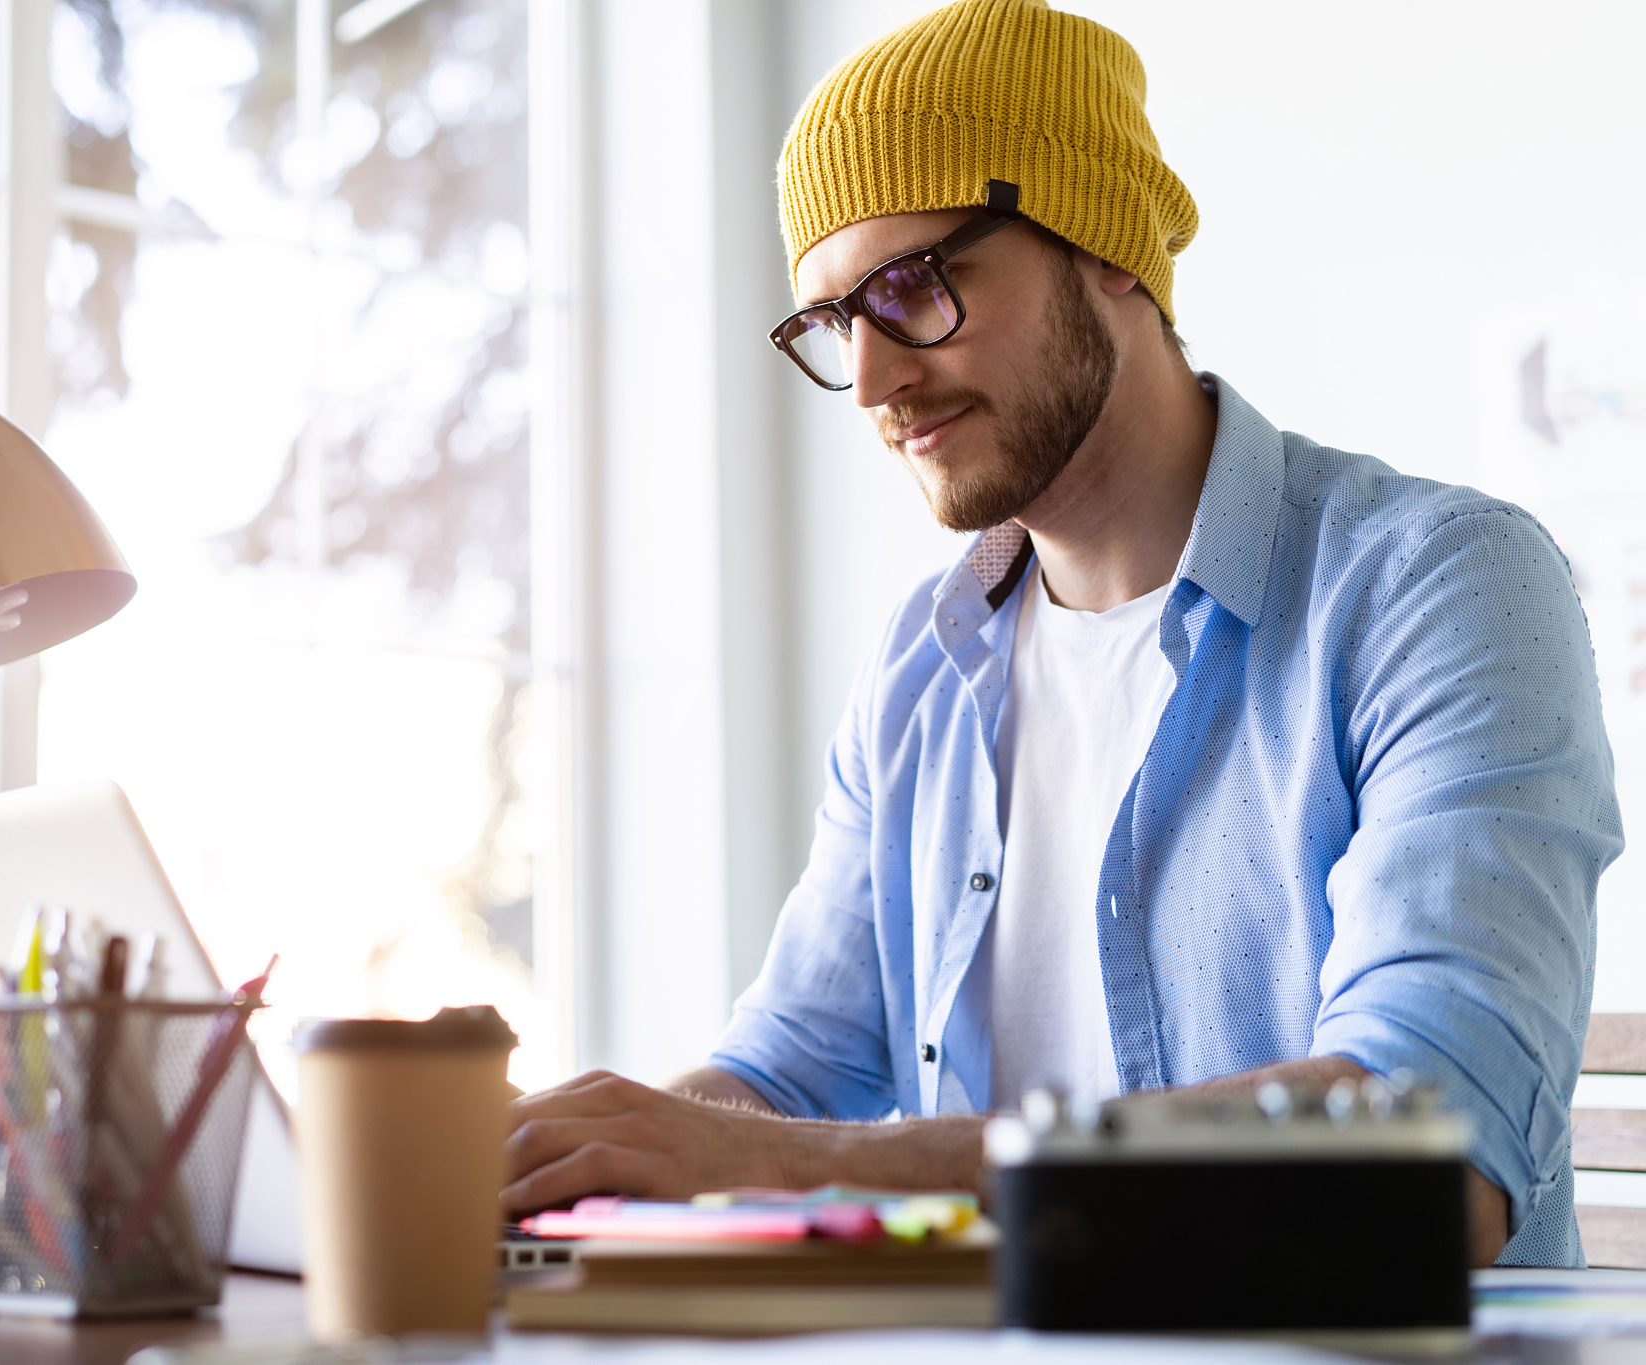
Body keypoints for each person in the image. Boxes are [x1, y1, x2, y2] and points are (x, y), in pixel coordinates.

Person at [503, 0, 1621, 1268]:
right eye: (832, 324)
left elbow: (1425, 1156)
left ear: (1108, 251)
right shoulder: (921, 668)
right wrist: (573, 1163)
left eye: (913, 287)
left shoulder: (1437, 587)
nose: (870, 382)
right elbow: (792, 1068)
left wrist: (789, 1159)